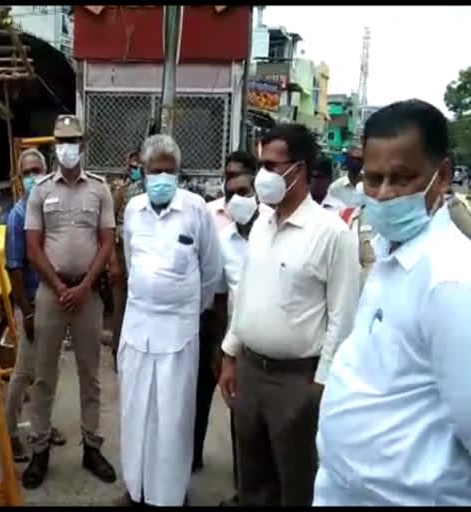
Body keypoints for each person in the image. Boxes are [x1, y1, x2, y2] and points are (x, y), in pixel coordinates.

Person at [314, 100, 471, 506]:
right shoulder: (391, 252)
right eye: (373, 178)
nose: (383, 195)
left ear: (443, 176)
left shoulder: (450, 280)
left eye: (401, 179)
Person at [218, 123, 360, 506]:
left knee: (296, 484)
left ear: (299, 169)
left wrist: (319, 388)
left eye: (270, 165)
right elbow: (246, 294)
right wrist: (230, 355)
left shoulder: (332, 233)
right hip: (249, 372)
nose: (262, 175)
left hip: (296, 382)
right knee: (252, 481)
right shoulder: (262, 224)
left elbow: (342, 318)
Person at [117, 134, 223, 506]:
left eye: (168, 170)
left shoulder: (196, 210)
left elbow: (211, 272)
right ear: (143, 173)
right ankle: (136, 490)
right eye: (154, 171)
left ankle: (169, 497)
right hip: (137, 329)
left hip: (179, 332)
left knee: (173, 418)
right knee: (135, 414)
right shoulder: (133, 210)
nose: (161, 177)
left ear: (178, 172)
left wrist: (187, 308)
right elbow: (131, 262)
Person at [22, 114, 117, 489]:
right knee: (44, 376)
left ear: (83, 144)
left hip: (88, 294)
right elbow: (33, 247)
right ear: (54, 147)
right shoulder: (41, 190)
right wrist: (60, 285)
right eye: (62, 140)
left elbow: (107, 240)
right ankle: (40, 449)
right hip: (50, 293)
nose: (68, 147)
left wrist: (83, 286)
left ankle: (92, 446)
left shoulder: (100, 189)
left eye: (74, 140)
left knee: (90, 375)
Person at [193, 150, 259, 476]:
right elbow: (219, 294)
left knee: (246, 416)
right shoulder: (222, 237)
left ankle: (244, 481)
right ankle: (192, 456)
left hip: (262, 337)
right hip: (225, 332)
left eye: (243, 192)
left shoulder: (274, 233)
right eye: (230, 193)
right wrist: (220, 347)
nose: (236, 200)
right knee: (204, 395)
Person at [3, 148, 65, 462]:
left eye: (36, 170)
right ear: (19, 178)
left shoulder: (50, 208)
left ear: (47, 170)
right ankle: (11, 432)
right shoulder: (17, 215)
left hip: (52, 301)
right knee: (24, 372)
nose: (32, 178)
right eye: (26, 173)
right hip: (30, 303)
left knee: (49, 370)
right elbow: (14, 267)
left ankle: (43, 425)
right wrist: (26, 311)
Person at [108, 149, 146, 371]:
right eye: (132, 167)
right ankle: (117, 352)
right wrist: (112, 258)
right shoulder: (121, 192)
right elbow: (109, 225)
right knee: (120, 305)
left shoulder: (150, 193)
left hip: (142, 254)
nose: (136, 171)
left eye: (139, 167)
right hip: (123, 254)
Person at [206, 151, 259, 232]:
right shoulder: (207, 212)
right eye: (228, 176)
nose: (232, 181)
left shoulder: (267, 215)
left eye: (235, 175)